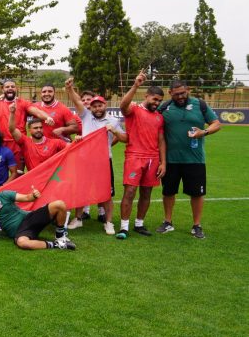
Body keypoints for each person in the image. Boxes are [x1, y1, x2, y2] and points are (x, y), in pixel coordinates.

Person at [156, 80, 221, 239]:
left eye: (183, 93)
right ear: (170, 93)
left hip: (195, 159)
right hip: (170, 160)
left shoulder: (200, 105)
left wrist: (203, 132)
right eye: (176, 94)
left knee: (197, 194)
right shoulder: (164, 107)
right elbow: (151, 121)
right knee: (168, 192)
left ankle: (196, 225)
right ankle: (168, 222)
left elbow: (216, 123)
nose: (180, 97)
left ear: (188, 90)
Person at [65, 78, 126, 235]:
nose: (97, 109)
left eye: (100, 105)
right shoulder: (86, 115)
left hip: (104, 161)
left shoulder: (114, 120)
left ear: (105, 105)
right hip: (85, 161)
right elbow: (77, 101)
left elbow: (125, 138)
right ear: (90, 107)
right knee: (80, 190)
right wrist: (70, 89)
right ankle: (78, 219)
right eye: (94, 106)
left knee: (107, 193)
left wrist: (114, 131)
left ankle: (109, 222)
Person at [116, 71, 166, 239]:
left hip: (153, 159)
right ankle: (124, 227)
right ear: (146, 96)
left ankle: (139, 224)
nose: (157, 103)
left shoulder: (159, 118)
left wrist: (163, 162)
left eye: (159, 101)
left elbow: (161, 141)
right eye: (154, 99)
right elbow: (123, 106)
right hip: (134, 156)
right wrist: (135, 85)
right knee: (130, 191)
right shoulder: (134, 109)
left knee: (146, 193)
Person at [0, 179, 76, 250]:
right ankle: (58, 245)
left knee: (59, 204)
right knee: (22, 243)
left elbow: (27, 198)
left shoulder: (4, 195)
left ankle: (60, 237)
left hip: (29, 219)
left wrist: (34, 195)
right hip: (20, 232)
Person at [8, 106, 66, 172]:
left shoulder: (56, 143)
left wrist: (76, 140)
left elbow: (72, 147)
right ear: (29, 130)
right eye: (35, 128)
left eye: (40, 127)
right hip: (34, 178)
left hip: (51, 177)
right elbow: (12, 130)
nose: (39, 130)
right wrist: (12, 113)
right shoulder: (25, 142)